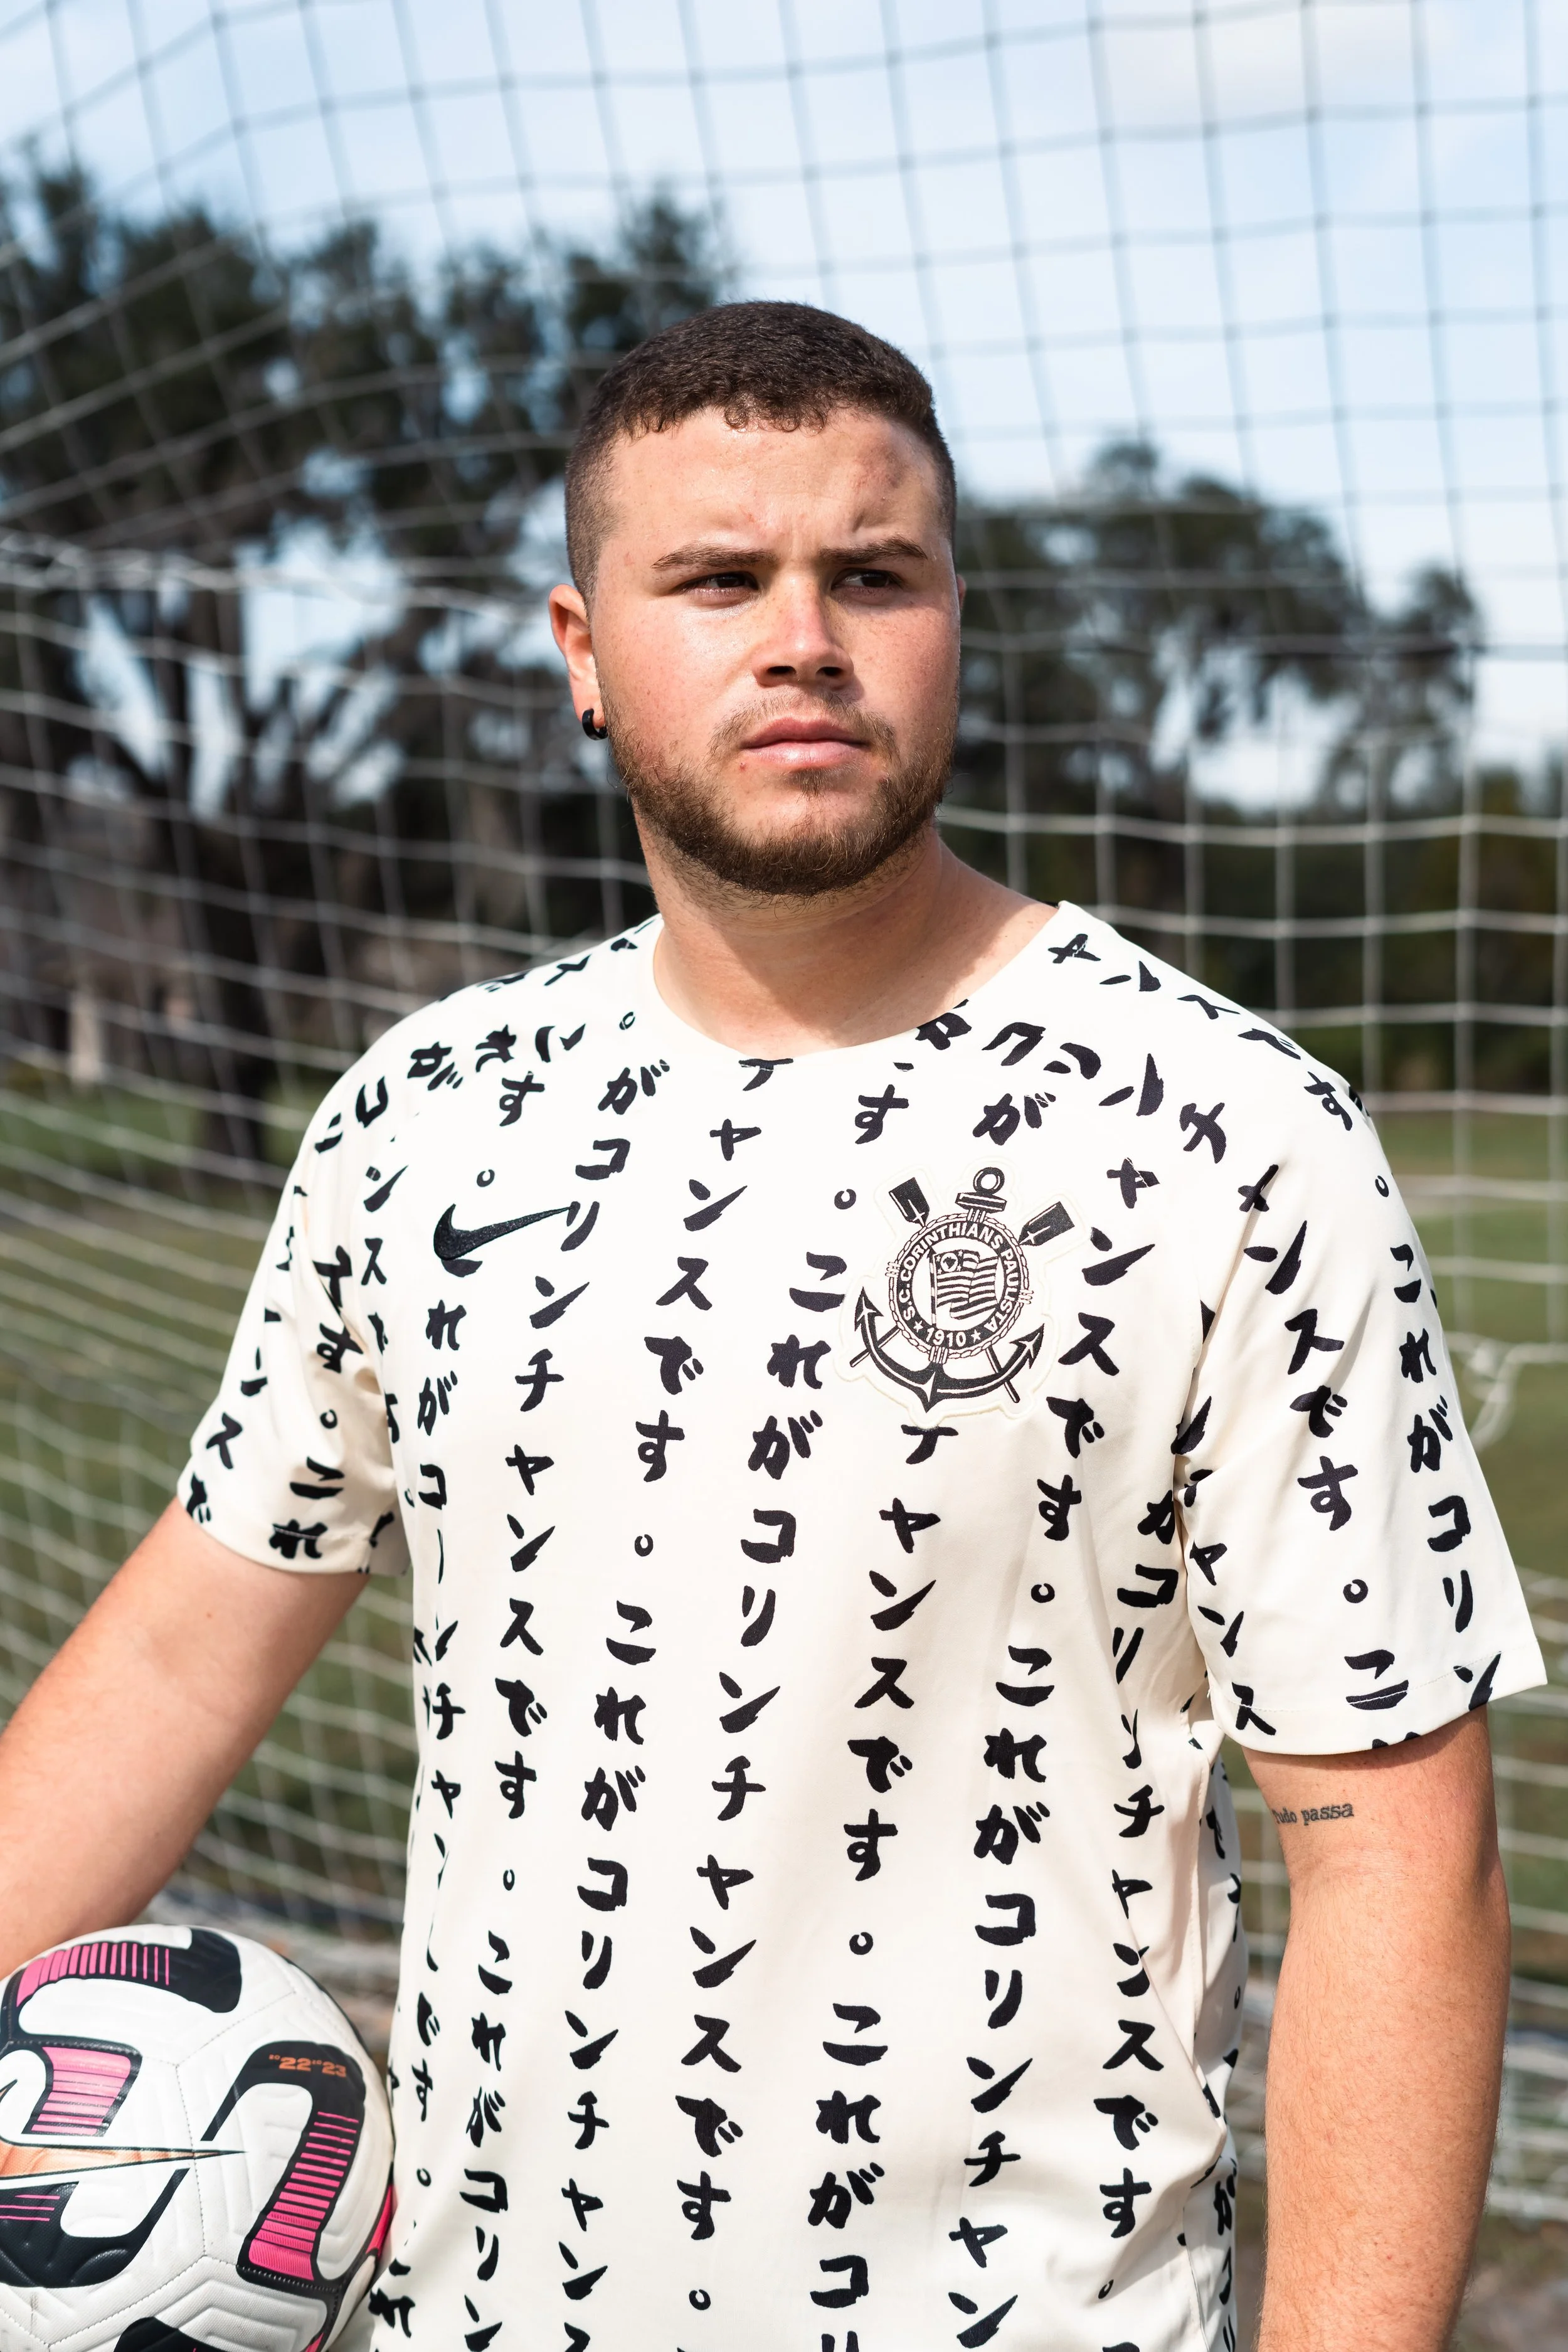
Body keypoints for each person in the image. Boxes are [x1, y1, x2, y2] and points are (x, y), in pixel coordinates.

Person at [0, 300, 1542, 2352]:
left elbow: (1390, 1858)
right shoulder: (424, 1122)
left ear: (953, 622)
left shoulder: (1223, 1135)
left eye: (872, 573)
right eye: (717, 577)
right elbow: (187, 1654)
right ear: (580, 648)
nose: (800, 635)